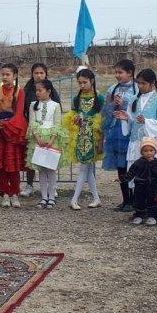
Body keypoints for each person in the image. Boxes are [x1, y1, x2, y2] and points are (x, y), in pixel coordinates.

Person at [116, 69, 157, 207]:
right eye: (138, 83)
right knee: (137, 172)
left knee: (152, 174)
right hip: (136, 142)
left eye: (143, 83)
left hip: (150, 143)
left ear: (152, 83)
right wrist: (127, 118)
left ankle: (154, 204)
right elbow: (132, 120)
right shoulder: (134, 99)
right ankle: (139, 204)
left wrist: (147, 121)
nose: (140, 86)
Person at [0, 63, 28, 208]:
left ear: (14, 75)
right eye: (3, 74)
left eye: (7, 74)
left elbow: (19, 113)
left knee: (13, 165)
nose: (4, 77)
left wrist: (7, 125)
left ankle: (15, 193)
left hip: (13, 132)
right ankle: (5, 194)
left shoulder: (20, 91)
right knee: (2, 166)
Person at [64, 67, 104, 210]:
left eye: (84, 82)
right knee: (87, 169)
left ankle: (74, 199)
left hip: (93, 137)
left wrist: (101, 140)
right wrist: (75, 120)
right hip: (81, 136)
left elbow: (103, 119)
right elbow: (73, 115)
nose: (82, 85)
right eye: (79, 83)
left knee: (83, 169)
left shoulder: (99, 97)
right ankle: (96, 198)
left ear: (92, 81)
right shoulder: (77, 98)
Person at [102, 59, 139, 212]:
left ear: (130, 73)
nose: (117, 75)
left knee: (133, 165)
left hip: (130, 131)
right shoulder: (112, 88)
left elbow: (138, 108)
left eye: (120, 72)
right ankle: (125, 199)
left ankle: (136, 199)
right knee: (121, 166)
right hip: (115, 131)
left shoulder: (137, 88)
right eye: (116, 72)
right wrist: (113, 104)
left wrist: (124, 104)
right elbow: (105, 111)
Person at [20, 63, 61, 197]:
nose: (38, 75)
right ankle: (29, 185)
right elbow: (23, 109)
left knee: (49, 160)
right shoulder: (27, 90)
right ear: (32, 74)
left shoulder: (52, 92)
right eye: (36, 73)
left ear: (45, 74)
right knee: (33, 160)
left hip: (49, 132)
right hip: (33, 129)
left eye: (41, 73)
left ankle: (52, 187)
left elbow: (56, 114)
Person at [26, 79, 67, 209]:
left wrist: (52, 140)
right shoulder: (33, 105)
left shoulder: (55, 105)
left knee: (51, 168)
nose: (37, 93)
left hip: (51, 139)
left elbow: (57, 123)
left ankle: (52, 197)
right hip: (38, 139)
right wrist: (37, 137)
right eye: (36, 90)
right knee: (41, 169)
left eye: (40, 90)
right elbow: (32, 122)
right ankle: (43, 197)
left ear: (48, 91)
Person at [125, 137, 157, 226]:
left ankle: (153, 216)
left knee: (153, 201)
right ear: (142, 152)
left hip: (153, 186)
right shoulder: (138, 163)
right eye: (145, 151)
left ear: (155, 151)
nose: (148, 153)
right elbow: (131, 172)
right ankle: (139, 215)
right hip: (140, 186)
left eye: (151, 150)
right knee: (139, 201)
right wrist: (124, 178)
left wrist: (154, 165)